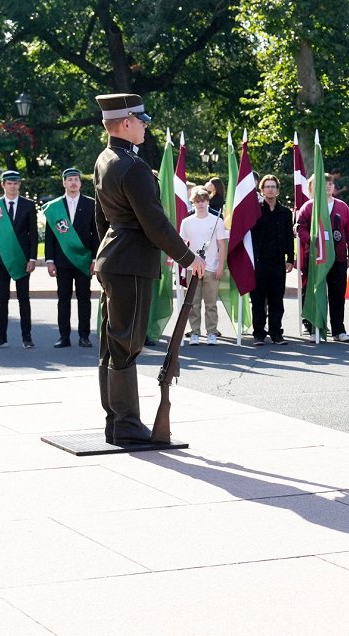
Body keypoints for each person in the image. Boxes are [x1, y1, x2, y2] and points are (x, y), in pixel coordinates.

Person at [92, 93, 205, 445]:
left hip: (113, 259)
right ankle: (126, 424)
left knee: (113, 343)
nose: (144, 126)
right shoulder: (133, 167)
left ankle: (116, 421)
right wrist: (189, 259)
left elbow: (102, 218)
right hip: (132, 263)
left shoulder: (105, 159)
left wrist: (104, 254)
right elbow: (154, 223)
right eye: (141, 120)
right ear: (125, 122)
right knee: (127, 344)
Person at [43, 167, 100, 348]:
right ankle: (64, 336)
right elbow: (50, 236)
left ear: (81, 183)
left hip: (83, 260)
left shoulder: (91, 204)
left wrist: (94, 259)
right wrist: (50, 261)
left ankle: (84, 336)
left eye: (76, 179)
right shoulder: (54, 208)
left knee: (84, 298)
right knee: (63, 298)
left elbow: (96, 234)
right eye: (69, 180)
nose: (73, 183)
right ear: (64, 183)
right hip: (62, 261)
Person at [295, 173, 349, 342]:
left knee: (337, 294)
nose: (328, 186)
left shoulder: (342, 207)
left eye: (330, 183)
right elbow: (301, 229)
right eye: (324, 183)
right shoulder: (308, 207)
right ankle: (313, 326)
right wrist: (316, 243)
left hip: (338, 258)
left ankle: (338, 329)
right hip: (315, 258)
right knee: (313, 292)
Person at [0, 170, 38, 349]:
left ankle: (27, 337)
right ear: (3, 185)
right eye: (9, 183)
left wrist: (32, 258)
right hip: (0, 261)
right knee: (2, 299)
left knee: (24, 299)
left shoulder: (28, 205)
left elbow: (33, 235)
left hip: (22, 259)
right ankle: (1, 337)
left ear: (19, 185)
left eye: (16, 183)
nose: (13, 186)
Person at [179, 186, 228, 345]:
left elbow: (222, 245)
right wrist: (183, 266)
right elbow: (183, 245)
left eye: (203, 200)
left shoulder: (217, 221)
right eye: (197, 201)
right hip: (192, 268)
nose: (200, 204)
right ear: (193, 203)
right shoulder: (186, 222)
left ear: (208, 201)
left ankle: (212, 332)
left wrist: (220, 266)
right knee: (192, 303)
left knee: (211, 303)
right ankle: (194, 332)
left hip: (211, 267)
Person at [250, 174, 295, 345]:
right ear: (261, 190)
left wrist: (290, 258)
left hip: (277, 262)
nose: (270, 189)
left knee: (277, 300)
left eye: (273, 187)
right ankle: (259, 334)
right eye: (267, 187)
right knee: (258, 300)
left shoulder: (285, 212)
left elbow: (290, 237)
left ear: (277, 190)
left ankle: (276, 333)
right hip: (259, 262)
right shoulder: (254, 210)